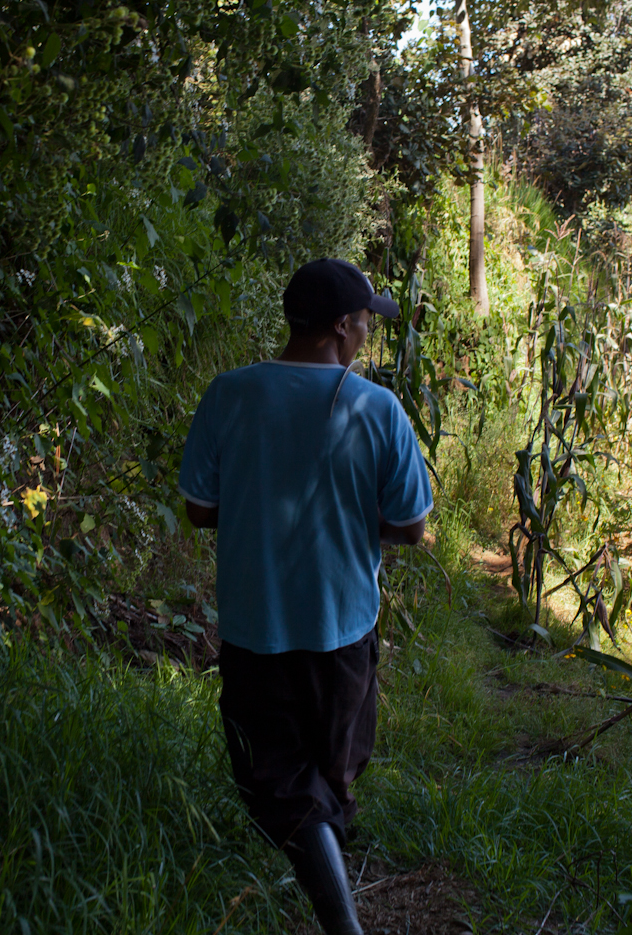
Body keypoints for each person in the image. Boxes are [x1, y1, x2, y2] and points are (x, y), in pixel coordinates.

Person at [177, 258, 434, 935]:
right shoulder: (377, 408)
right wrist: (353, 516)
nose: (368, 336)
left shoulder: (228, 394)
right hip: (343, 626)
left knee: (281, 781)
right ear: (342, 328)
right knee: (323, 776)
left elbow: (200, 509)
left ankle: (328, 888)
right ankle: (342, 919)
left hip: (255, 624)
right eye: (365, 324)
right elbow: (410, 525)